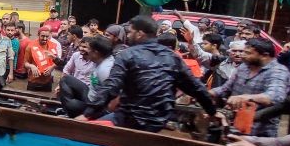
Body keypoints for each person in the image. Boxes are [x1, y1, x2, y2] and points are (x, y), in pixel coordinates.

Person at [83, 15, 217, 132]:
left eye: (130, 32)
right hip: (157, 123)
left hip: (128, 120)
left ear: (140, 34)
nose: (128, 35)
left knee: (85, 133)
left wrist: (87, 114)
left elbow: (111, 87)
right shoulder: (172, 57)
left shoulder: (127, 54)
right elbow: (196, 88)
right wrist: (212, 112)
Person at [210, 38, 290, 137]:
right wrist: (208, 93)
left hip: (260, 131)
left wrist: (244, 97)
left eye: (248, 53)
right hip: (236, 124)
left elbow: (275, 96)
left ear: (265, 55)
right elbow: (225, 88)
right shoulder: (244, 67)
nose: (243, 55)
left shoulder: (278, 71)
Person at [58, 37, 114, 117]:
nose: (88, 52)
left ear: (96, 53)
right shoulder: (101, 59)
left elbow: (105, 98)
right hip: (91, 93)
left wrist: (88, 114)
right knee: (66, 79)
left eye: (89, 50)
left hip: (96, 105)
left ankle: (72, 115)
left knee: (72, 104)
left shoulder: (105, 71)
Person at [24, 27, 59, 91]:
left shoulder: (53, 45)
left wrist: (52, 67)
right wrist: (32, 66)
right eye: (42, 36)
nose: (45, 39)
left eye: (47, 36)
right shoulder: (30, 46)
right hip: (33, 81)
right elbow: (25, 63)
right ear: (38, 35)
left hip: (47, 81)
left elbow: (58, 61)